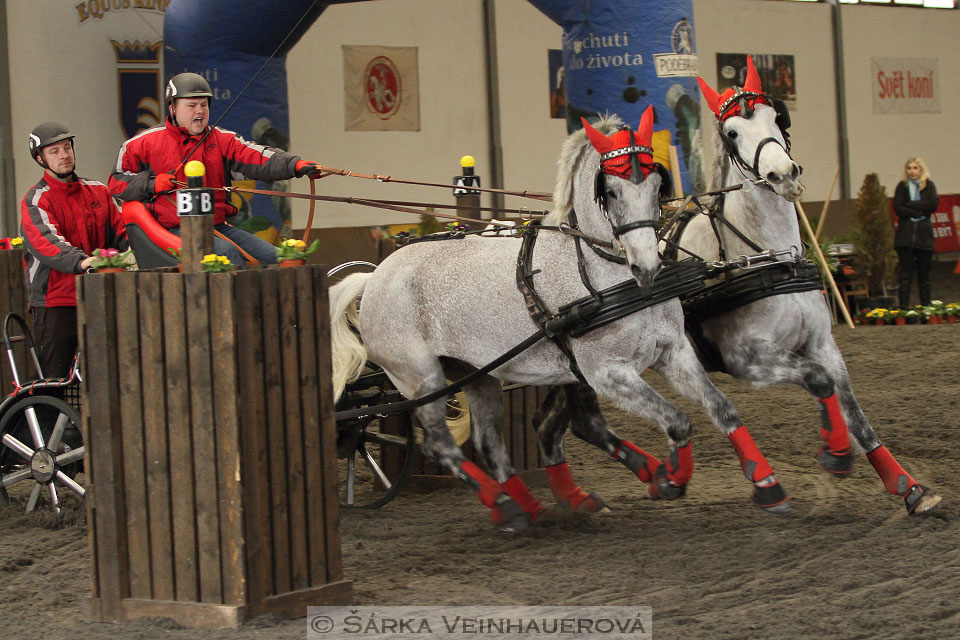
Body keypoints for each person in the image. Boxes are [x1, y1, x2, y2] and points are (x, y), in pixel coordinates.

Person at [108, 72, 321, 267]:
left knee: (283, 259)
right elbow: (116, 182)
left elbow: (256, 156)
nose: (200, 110)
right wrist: (152, 184)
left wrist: (295, 165)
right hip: (171, 230)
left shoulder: (222, 140)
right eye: (192, 105)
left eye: (204, 104)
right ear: (172, 108)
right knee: (226, 253)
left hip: (218, 227)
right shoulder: (142, 143)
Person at [20, 122, 128, 378]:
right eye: (54, 151)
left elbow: (124, 231)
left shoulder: (99, 190)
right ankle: (48, 420)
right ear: (40, 159)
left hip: (99, 295)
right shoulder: (36, 199)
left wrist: (136, 253)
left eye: (67, 147)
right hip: (55, 303)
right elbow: (47, 243)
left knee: (107, 375)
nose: (64, 155)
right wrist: (84, 262)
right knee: (54, 381)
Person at [892, 156, 938, 309]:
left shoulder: (929, 186)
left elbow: (932, 204)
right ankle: (904, 308)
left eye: (915, 168)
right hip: (905, 237)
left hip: (924, 237)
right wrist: (918, 212)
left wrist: (910, 204)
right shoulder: (901, 187)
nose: (912, 171)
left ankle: (926, 306)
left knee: (924, 275)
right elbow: (898, 208)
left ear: (921, 169)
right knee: (905, 275)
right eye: (909, 168)